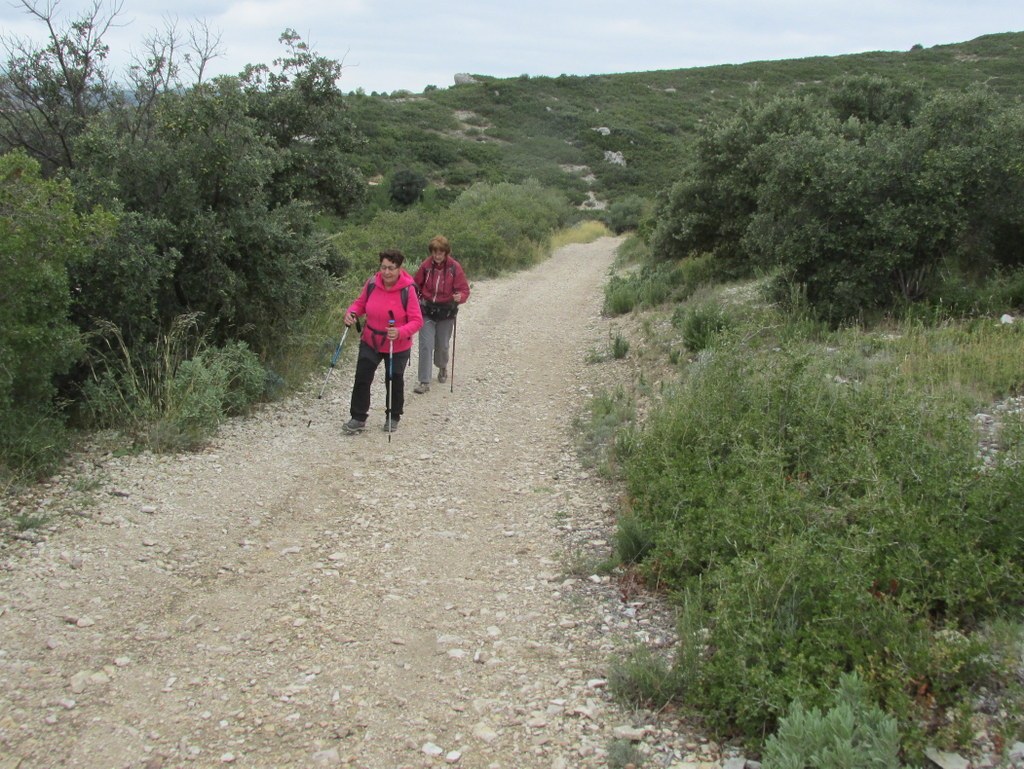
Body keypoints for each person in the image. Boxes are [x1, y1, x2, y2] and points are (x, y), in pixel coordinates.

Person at [342, 249, 423, 434]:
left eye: (391, 268)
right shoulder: (372, 283)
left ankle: (393, 416)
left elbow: (417, 320)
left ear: (399, 268)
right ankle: (358, 417)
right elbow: (360, 304)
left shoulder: (407, 289)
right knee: (362, 377)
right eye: (383, 267)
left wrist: (400, 331)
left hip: (397, 344)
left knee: (393, 379)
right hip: (371, 339)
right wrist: (351, 313)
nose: (386, 272)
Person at [412, 235, 470, 393]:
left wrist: (460, 297)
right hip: (427, 310)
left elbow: (464, 289)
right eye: (434, 252)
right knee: (425, 345)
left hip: (446, 312)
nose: (437, 256)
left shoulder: (454, 267)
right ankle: (424, 381)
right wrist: (415, 300)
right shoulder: (426, 266)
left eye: (440, 253)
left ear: (446, 252)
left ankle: (442, 366)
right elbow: (415, 285)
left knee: (442, 345)